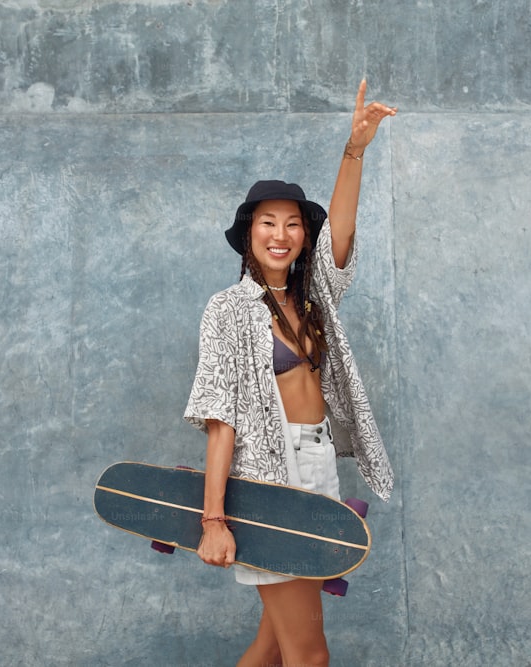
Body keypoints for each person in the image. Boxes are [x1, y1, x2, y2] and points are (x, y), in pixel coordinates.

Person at [184, 80, 396, 667]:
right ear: (249, 234)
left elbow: (342, 238)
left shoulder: (313, 299)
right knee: (309, 654)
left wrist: (354, 151)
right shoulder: (227, 310)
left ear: (304, 237)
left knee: (274, 644)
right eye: (268, 223)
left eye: (294, 224)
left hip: (318, 463)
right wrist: (214, 519)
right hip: (266, 479)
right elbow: (219, 418)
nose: (281, 235)